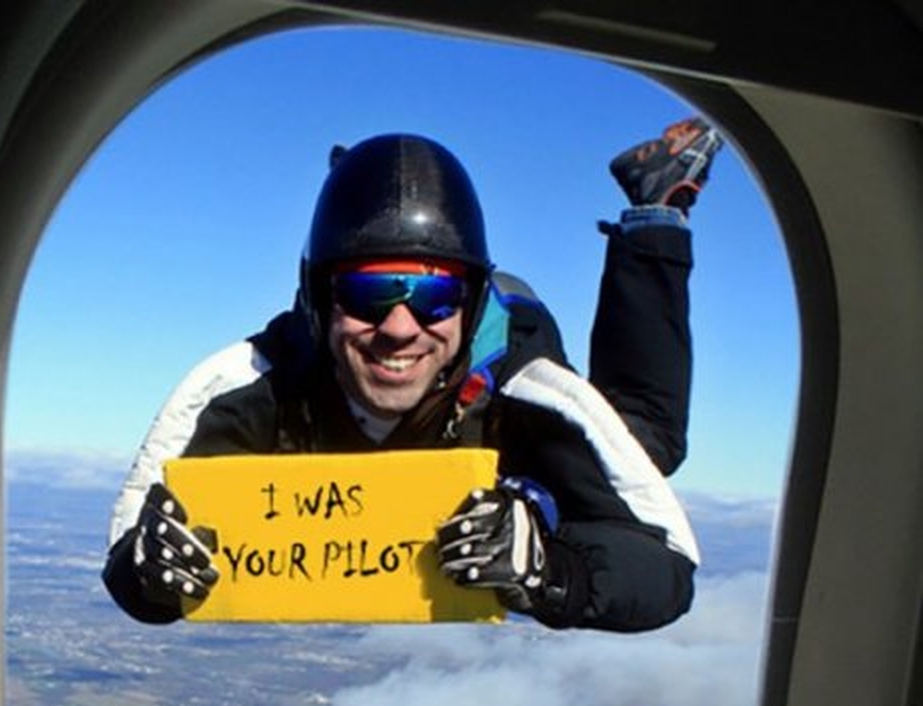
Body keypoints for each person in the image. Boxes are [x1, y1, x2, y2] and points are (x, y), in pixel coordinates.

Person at [102, 119, 721, 631]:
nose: (400, 328)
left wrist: (547, 570)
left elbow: (668, 562)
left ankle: (655, 212)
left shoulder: (530, 392)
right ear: (319, 299)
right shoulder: (248, 385)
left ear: (469, 303)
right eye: (367, 292)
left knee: (645, 444)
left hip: (504, 376)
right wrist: (152, 572)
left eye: (434, 296)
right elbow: (129, 546)